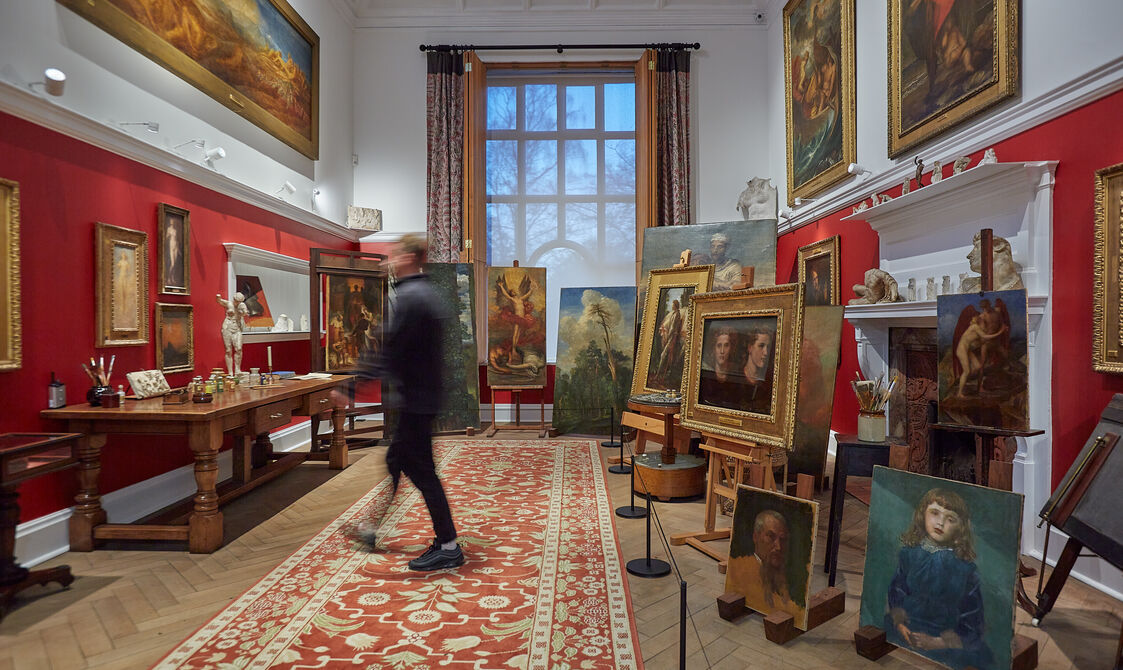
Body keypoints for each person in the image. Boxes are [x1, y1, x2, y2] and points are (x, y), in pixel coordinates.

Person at [336, 234, 463, 571]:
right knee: (397, 460)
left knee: (422, 472)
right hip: (421, 398)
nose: (388, 262)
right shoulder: (424, 294)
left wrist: (351, 388)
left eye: (393, 256)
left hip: (415, 401)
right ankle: (371, 528)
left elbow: (387, 349)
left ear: (408, 258)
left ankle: (448, 545)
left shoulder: (410, 297)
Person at [885, 488, 992, 670]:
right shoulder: (909, 554)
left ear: (961, 527)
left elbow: (972, 618)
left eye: (950, 519)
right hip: (907, 627)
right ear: (922, 515)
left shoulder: (965, 570)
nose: (940, 522)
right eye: (935, 513)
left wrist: (937, 642)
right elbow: (897, 590)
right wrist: (901, 624)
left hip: (943, 638)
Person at [727, 510, 801, 619]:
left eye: (782, 539)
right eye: (771, 536)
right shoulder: (740, 569)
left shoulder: (786, 575)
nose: (778, 546)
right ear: (755, 537)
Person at [698, 327, 741, 410]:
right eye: (719, 346)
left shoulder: (736, 375)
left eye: (726, 345)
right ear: (714, 349)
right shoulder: (705, 375)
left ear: (731, 348)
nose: (722, 351)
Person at [741, 327, 774, 414]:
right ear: (750, 348)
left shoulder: (770, 382)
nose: (765, 352)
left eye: (768, 347)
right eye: (761, 346)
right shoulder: (736, 379)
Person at [216, 292, 248, 375]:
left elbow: (245, 313)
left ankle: (237, 370)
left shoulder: (242, 305)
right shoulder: (229, 304)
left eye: (239, 301)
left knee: (239, 348)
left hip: (237, 328)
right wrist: (218, 297)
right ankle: (230, 372)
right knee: (228, 350)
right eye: (236, 301)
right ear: (234, 299)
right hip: (227, 327)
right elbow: (219, 301)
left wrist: (243, 312)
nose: (237, 302)